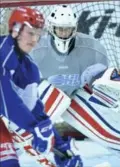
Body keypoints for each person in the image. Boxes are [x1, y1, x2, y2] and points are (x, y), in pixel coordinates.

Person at [30, 5, 120, 151]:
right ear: (51, 28)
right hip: (46, 97)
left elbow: (101, 81)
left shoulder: (92, 48)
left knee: (112, 135)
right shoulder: (36, 49)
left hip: (75, 95)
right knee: (27, 132)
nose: (64, 33)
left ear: (74, 28)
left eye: (67, 29)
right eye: (60, 29)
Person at [0, 6, 83, 167]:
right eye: (31, 33)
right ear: (16, 29)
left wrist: (59, 145)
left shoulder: (29, 66)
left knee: (9, 162)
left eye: (38, 34)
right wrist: (35, 129)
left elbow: (34, 108)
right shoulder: (2, 52)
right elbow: (5, 100)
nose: (35, 40)